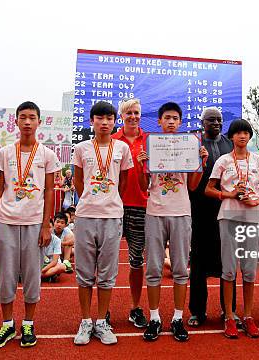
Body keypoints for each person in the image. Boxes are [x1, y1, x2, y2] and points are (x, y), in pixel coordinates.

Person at [0, 101, 59, 350]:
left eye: (32, 117)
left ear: (39, 121)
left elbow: (50, 190)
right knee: (6, 275)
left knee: (31, 276)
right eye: (23, 117)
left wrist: (47, 225)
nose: (27, 122)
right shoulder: (4, 153)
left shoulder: (48, 155)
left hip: (34, 222)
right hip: (7, 220)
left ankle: (28, 323)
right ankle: (7, 323)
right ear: (16, 121)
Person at [137, 102, 207, 342]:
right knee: (154, 268)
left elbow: (194, 186)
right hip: (155, 212)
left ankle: (177, 318)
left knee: (180, 269)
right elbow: (140, 185)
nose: (170, 121)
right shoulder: (151, 146)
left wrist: (201, 163)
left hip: (181, 212)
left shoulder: (189, 147)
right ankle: (154, 318)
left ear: (180, 122)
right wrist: (141, 165)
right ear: (159, 121)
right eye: (166, 117)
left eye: (175, 118)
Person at [205, 119, 259, 339]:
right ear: (232, 137)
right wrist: (229, 194)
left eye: (246, 132)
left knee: (249, 270)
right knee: (228, 270)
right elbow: (209, 189)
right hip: (228, 217)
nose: (242, 136)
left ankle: (248, 316)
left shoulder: (258, 160)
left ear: (250, 136)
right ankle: (229, 316)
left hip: (254, 218)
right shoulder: (223, 160)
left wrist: (258, 201)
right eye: (238, 133)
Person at [72, 101, 133, 346]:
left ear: (115, 121)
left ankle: (101, 321)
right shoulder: (81, 148)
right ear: (92, 121)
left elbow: (125, 183)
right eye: (100, 118)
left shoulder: (122, 148)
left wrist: (110, 200)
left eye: (109, 118)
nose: (105, 122)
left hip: (112, 216)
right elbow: (78, 182)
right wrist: (92, 199)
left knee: (107, 274)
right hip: (86, 215)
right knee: (85, 274)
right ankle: (86, 320)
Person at [188, 107, 237, 328]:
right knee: (198, 262)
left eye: (219, 119)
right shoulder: (193, 144)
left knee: (229, 259)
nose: (216, 123)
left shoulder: (231, 144)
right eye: (211, 120)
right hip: (199, 208)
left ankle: (230, 310)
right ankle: (197, 311)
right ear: (202, 121)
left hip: (227, 209)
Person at [110, 98, 149, 328]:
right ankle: (103, 311)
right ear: (121, 116)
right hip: (113, 207)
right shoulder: (111, 141)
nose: (133, 116)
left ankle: (135, 308)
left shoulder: (152, 141)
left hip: (142, 207)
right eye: (128, 113)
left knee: (136, 261)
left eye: (136, 113)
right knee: (106, 261)